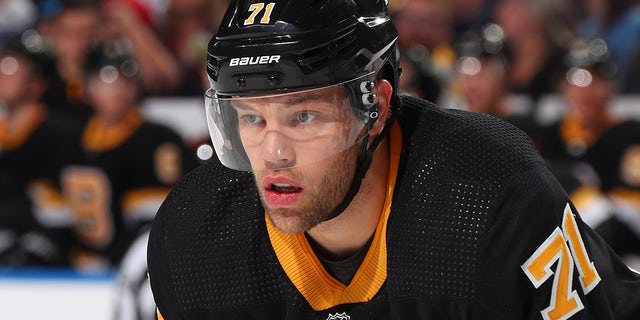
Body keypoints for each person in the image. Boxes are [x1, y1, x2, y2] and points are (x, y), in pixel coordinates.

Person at [147, 0, 640, 319]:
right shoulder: (193, 235)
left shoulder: (487, 193)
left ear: (376, 107)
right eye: (251, 119)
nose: (273, 153)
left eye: (303, 117)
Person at [61, 47, 186, 270]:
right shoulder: (68, 139)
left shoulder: (158, 140)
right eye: (106, 79)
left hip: (137, 261)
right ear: (86, 87)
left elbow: (157, 218)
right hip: (78, 263)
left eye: (125, 79)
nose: (117, 88)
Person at [541, 38, 640, 260]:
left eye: (597, 79)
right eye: (577, 79)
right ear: (562, 87)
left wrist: (582, 195)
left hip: (622, 257)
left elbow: (627, 223)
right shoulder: (549, 135)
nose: (586, 90)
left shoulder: (631, 135)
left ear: (612, 85)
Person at [0, 32, 76, 267]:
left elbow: (63, 209)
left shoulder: (60, 134)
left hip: (44, 244)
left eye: (10, 66)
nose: (1, 74)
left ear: (37, 81)